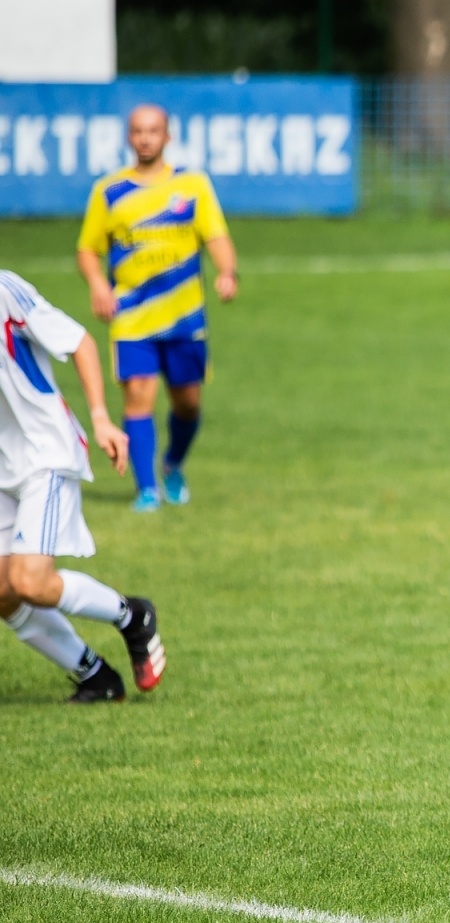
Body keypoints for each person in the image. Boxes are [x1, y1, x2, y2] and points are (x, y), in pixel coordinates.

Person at [0, 271, 166, 701]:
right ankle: (94, 675)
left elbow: (79, 341)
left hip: (44, 453)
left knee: (30, 581)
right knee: (3, 591)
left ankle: (132, 615)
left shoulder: (6, 292)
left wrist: (100, 417)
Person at [76, 103, 237, 513]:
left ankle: (173, 465)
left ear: (168, 136)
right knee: (139, 397)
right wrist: (98, 284)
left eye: (153, 130)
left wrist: (227, 271)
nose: (145, 138)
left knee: (188, 403)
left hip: (185, 318)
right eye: (138, 131)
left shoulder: (193, 186)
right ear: (129, 137)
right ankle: (146, 488)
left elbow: (215, 235)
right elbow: (87, 249)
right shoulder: (109, 191)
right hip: (131, 317)